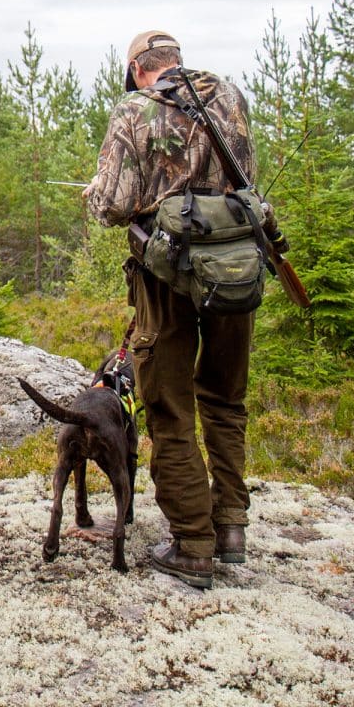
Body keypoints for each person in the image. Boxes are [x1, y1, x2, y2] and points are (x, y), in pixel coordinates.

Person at [82, 29, 256, 590]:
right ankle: (231, 528)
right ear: (176, 61)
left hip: (168, 277)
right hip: (238, 270)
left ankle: (192, 543)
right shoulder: (230, 96)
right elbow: (241, 179)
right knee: (226, 399)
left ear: (138, 70)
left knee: (169, 406)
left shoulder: (135, 111)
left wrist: (94, 192)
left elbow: (111, 206)